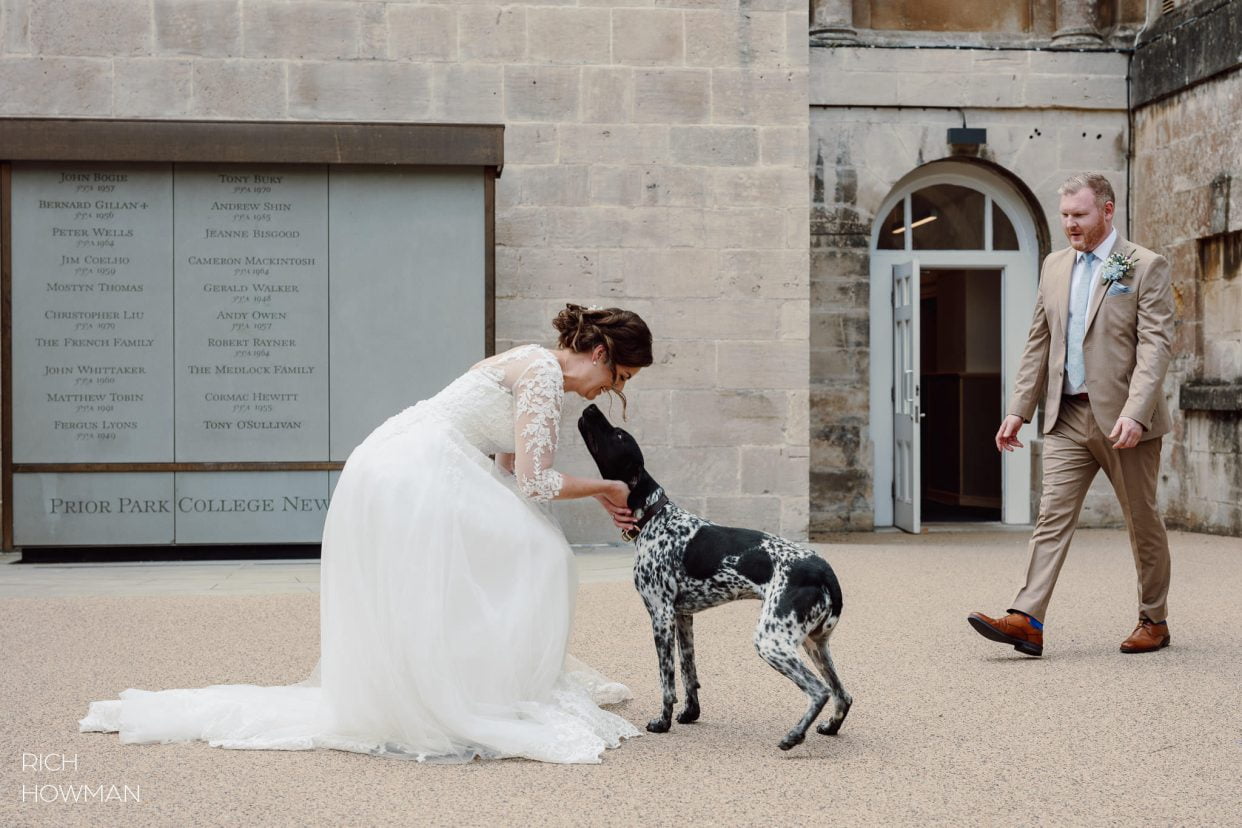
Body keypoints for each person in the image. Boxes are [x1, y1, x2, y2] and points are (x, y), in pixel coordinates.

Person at [81, 304, 654, 763]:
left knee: (529, 544)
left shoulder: (534, 363)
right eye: (618, 377)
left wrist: (592, 492)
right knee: (545, 553)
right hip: (414, 468)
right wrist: (607, 489)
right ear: (599, 352)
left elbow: (511, 470)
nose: (612, 390)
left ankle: (468, 680)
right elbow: (534, 481)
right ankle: (473, 691)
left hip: (404, 458)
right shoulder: (544, 378)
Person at [968, 172, 1175, 658]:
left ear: (1107, 210)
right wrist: (1019, 409)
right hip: (1065, 416)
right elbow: (1039, 340)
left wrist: (1138, 412)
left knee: (1142, 520)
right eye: (1064, 216)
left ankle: (1154, 619)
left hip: (1126, 421)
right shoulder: (1054, 266)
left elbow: (1156, 345)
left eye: (1079, 215)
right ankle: (1027, 619)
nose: (1070, 225)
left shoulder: (1145, 266)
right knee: (1050, 519)